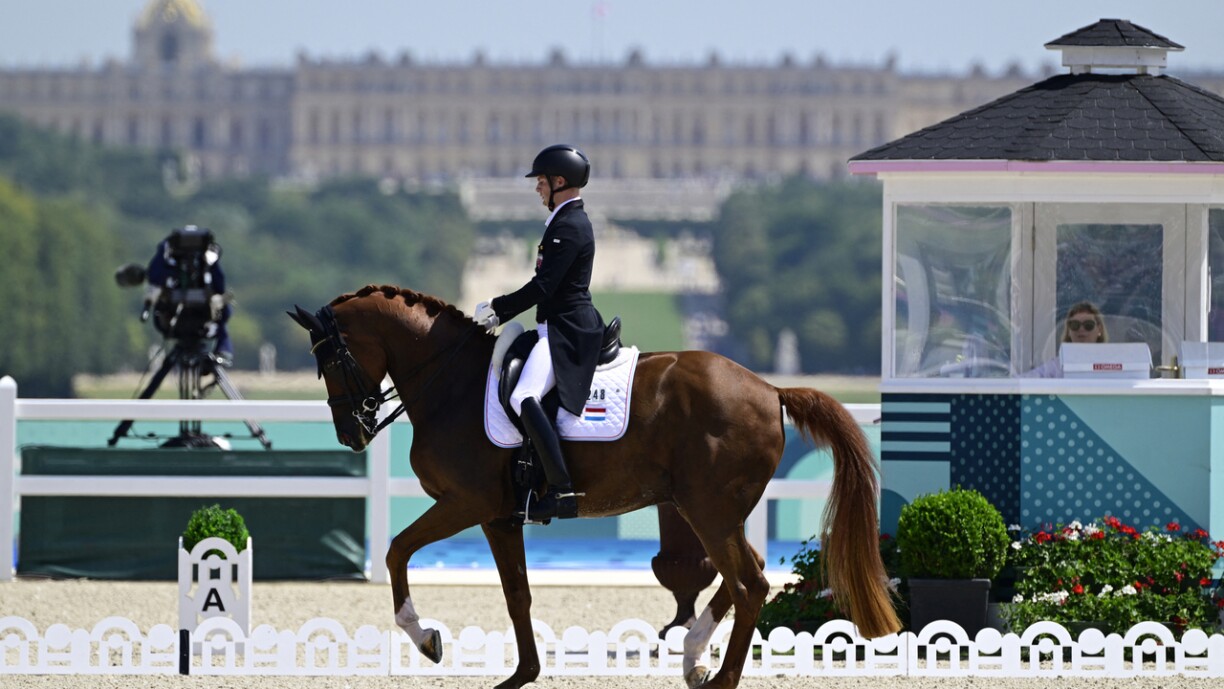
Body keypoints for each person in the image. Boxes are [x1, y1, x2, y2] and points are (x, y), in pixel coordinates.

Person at [473, 144, 605, 521]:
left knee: (523, 395)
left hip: (566, 331)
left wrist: (499, 308)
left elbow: (544, 286)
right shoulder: (564, 221)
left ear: (559, 181)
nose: (537, 189)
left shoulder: (570, 225)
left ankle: (561, 490)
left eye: (542, 182)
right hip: (554, 325)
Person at [145, 225, 233, 364]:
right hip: (202, 314)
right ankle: (223, 351)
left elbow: (154, 276)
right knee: (223, 311)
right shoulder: (208, 256)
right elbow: (219, 284)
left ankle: (222, 351)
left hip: (172, 314)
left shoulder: (167, 252)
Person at [1023, 301, 1108, 378]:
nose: (1081, 329)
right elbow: (1026, 379)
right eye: (1075, 325)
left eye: (1088, 325)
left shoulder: (1112, 361)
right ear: (1069, 331)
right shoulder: (1058, 365)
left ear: (1099, 329)